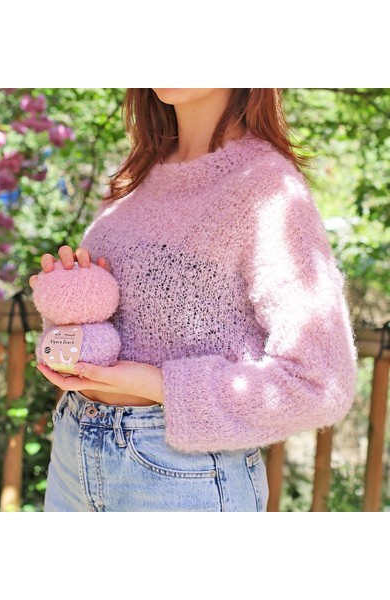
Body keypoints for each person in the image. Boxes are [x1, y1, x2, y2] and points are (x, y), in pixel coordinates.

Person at [29, 88, 358, 512]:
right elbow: (106, 320)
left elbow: (320, 381)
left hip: (180, 475)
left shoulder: (266, 187)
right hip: (73, 451)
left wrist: (159, 385)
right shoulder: (134, 178)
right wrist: (69, 302)